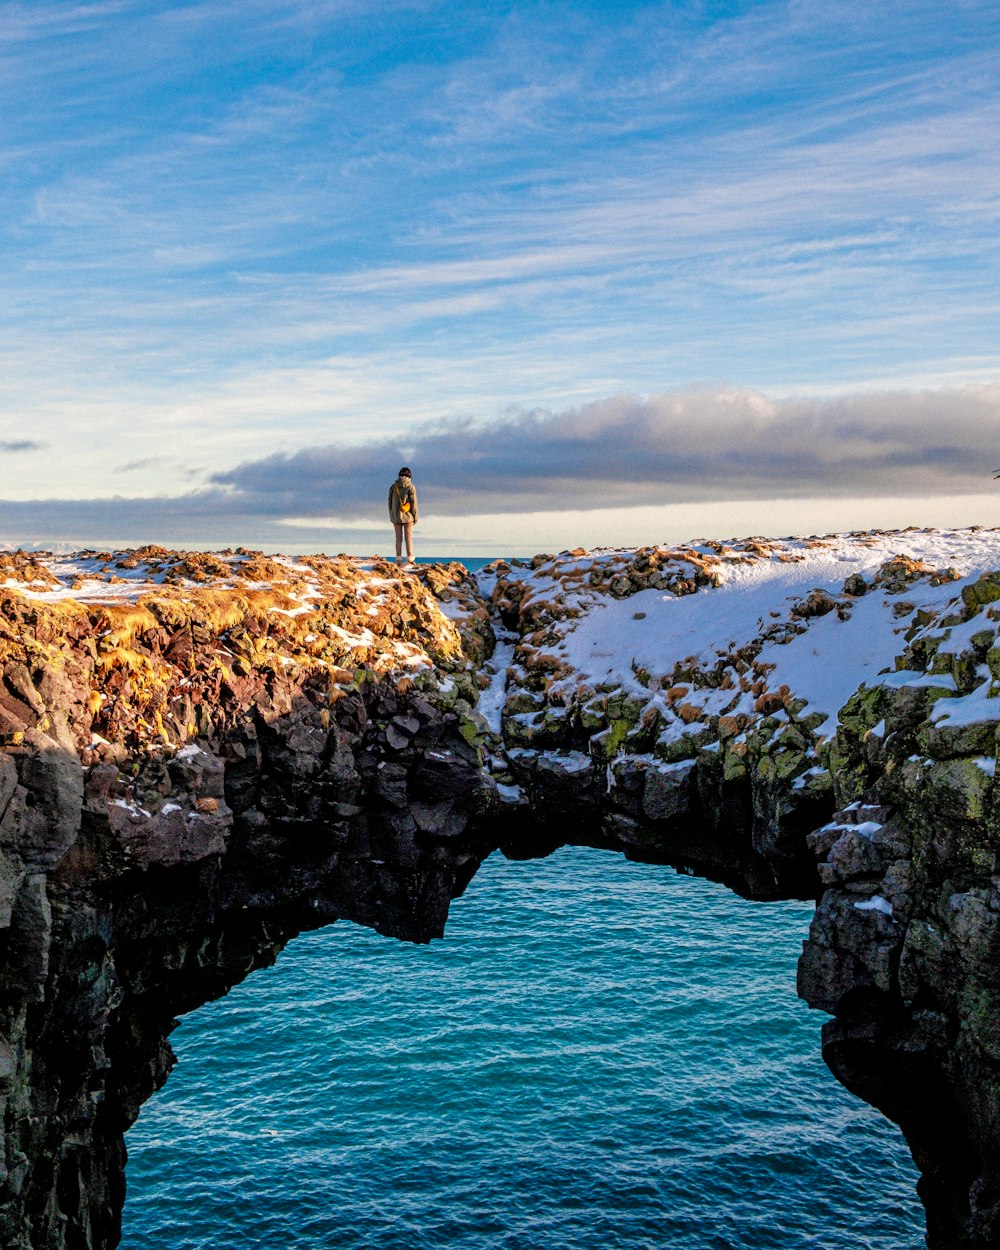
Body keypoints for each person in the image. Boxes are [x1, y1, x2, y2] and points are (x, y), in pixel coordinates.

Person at [388, 466, 418, 567]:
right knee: (408, 538)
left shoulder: (393, 487)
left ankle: (398, 560)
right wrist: (415, 517)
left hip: (396, 516)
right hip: (408, 517)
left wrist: (392, 514)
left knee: (398, 539)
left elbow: (389, 502)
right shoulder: (411, 487)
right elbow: (413, 504)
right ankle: (410, 559)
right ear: (409, 476)